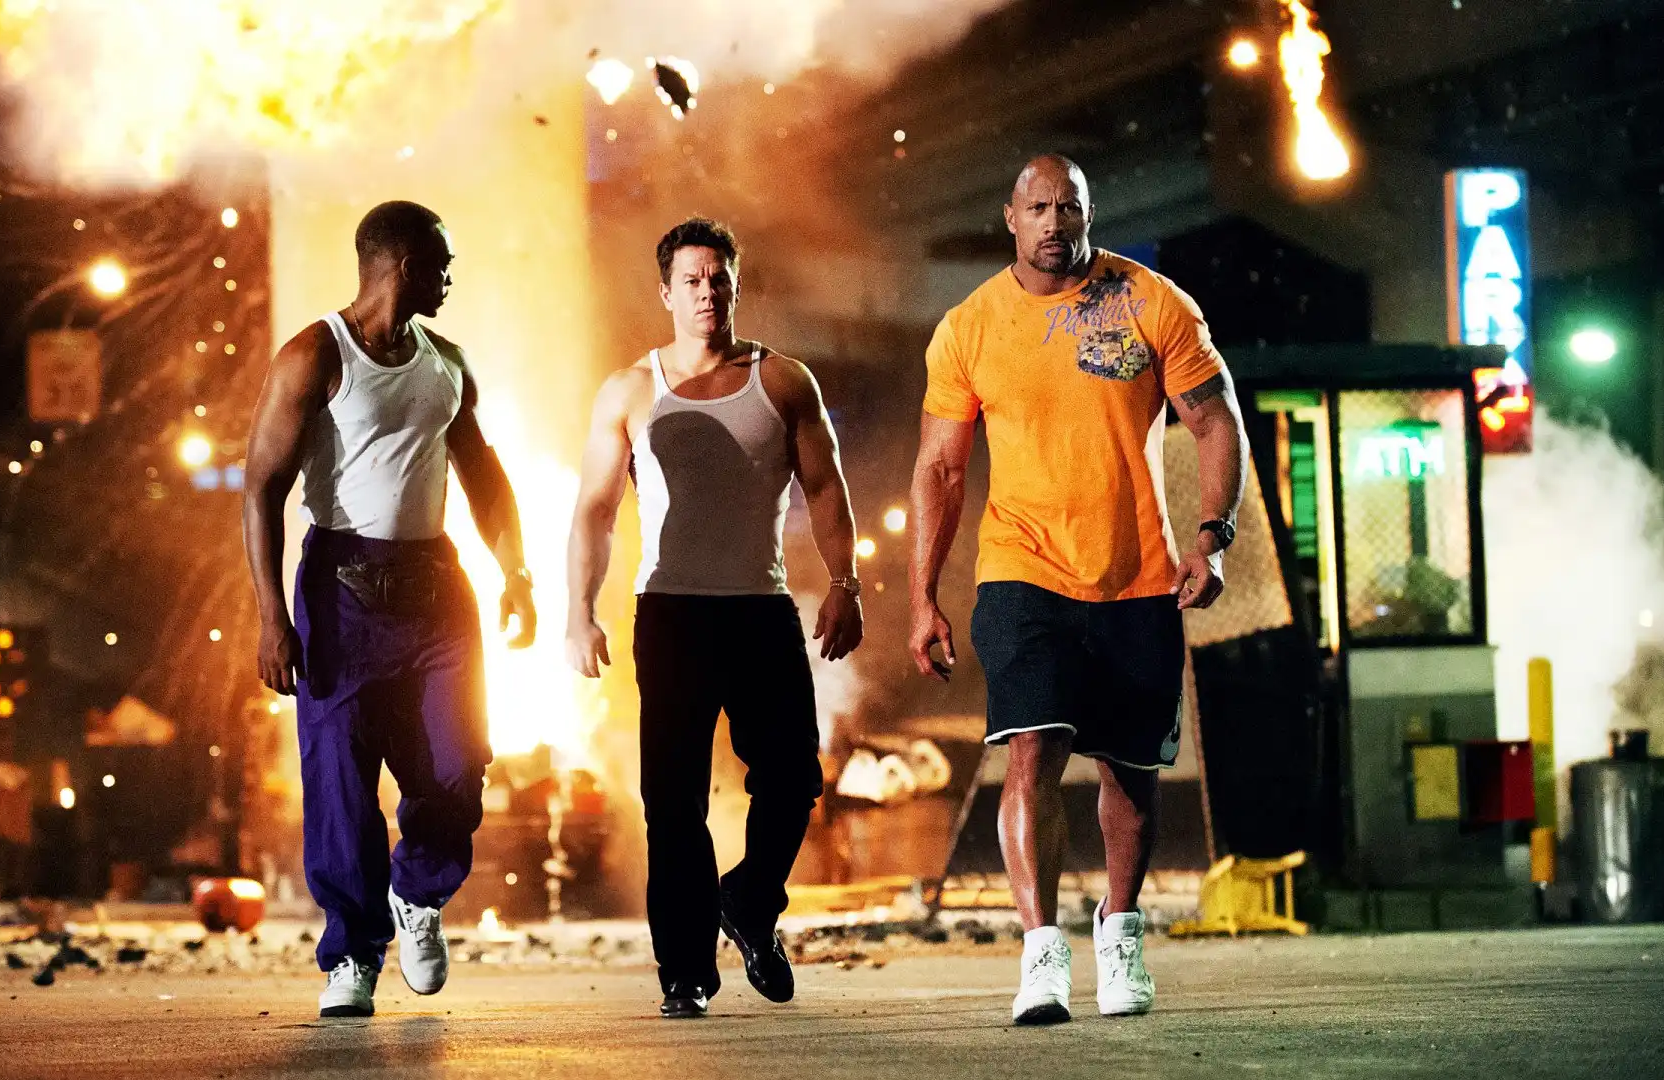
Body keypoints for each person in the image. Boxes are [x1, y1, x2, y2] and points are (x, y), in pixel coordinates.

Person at [907, 156, 1247, 1025]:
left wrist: (1212, 537)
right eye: (1038, 208)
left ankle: (1120, 932)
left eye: (1069, 207)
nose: (1054, 223)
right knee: (1034, 744)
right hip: (1021, 567)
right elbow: (941, 469)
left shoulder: (1152, 303)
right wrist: (922, 597)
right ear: (1010, 217)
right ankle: (1041, 953)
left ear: (1089, 213)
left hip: (1137, 574)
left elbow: (1215, 421)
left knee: (1130, 772)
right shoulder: (969, 327)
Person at [242, 201, 536, 1018]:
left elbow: (484, 475)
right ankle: (352, 955)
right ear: (405, 265)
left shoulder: (447, 362)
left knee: (459, 764)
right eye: (443, 264)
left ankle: (417, 895)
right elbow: (261, 487)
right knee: (340, 781)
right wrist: (270, 616)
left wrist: (516, 571)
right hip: (341, 590)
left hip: (437, 589)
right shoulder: (314, 355)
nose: (450, 279)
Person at [565, 217, 863, 1019]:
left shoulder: (784, 381)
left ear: (736, 285)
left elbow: (825, 490)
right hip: (671, 616)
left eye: (718, 279)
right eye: (691, 281)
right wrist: (578, 612)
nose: (707, 292)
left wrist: (847, 584)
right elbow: (594, 510)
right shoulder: (630, 390)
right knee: (673, 802)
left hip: (760, 609)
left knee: (794, 779)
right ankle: (685, 972)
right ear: (665, 292)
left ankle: (751, 900)